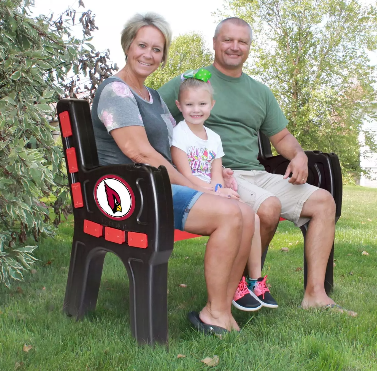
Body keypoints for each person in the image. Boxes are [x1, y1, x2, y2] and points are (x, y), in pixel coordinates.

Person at [159, 17, 357, 316]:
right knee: (267, 207)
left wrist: (299, 156)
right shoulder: (192, 83)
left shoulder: (259, 92)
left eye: (242, 41)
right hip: (219, 175)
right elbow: (151, 110)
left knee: (323, 202)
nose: (234, 47)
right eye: (228, 40)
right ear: (215, 43)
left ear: (249, 48)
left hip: (257, 172)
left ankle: (315, 295)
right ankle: (244, 283)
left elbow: (282, 136)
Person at [91, 12, 258, 335]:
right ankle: (217, 313)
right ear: (127, 46)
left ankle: (219, 309)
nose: (148, 54)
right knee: (228, 214)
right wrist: (202, 188)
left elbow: (179, 148)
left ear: (163, 56)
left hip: (159, 186)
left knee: (246, 213)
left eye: (157, 49)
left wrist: (216, 177)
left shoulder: (152, 97)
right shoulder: (116, 91)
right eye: (142, 45)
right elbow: (140, 152)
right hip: (133, 193)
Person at [171, 71, 278, 311]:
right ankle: (235, 283)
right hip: (191, 191)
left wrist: (221, 188)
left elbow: (216, 173)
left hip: (212, 191)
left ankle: (255, 280)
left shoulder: (214, 138)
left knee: (253, 216)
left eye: (202, 104)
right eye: (189, 104)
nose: (196, 109)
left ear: (212, 105)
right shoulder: (179, 133)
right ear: (179, 105)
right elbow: (185, 174)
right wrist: (215, 192)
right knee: (237, 215)